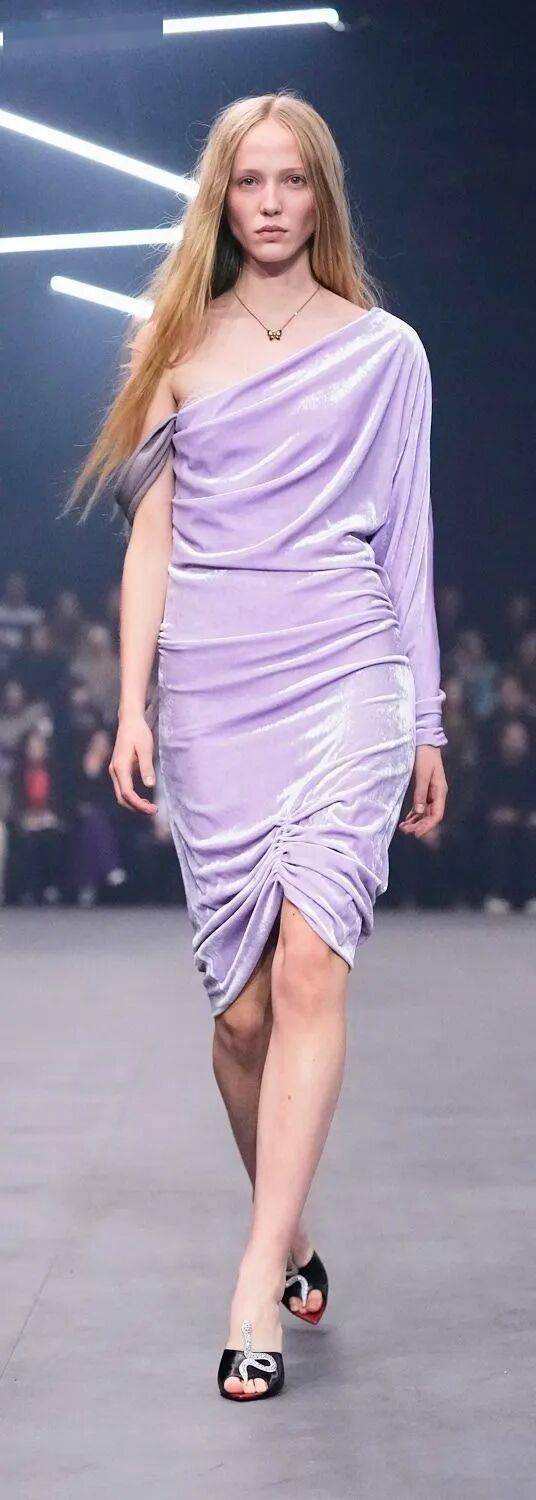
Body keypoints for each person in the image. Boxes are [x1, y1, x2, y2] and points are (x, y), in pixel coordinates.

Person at [64, 91, 448, 1402]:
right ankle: (290, 1232)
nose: (272, 203)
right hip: (216, 685)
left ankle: (251, 1285)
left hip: (349, 668)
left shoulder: (386, 352)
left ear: (322, 194)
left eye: (293, 180)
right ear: (220, 199)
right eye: (249, 181)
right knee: (238, 1017)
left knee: (310, 967)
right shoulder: (169, 341)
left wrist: (427, 718)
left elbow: (408, 540)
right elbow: (153, 536)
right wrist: (132, 705)